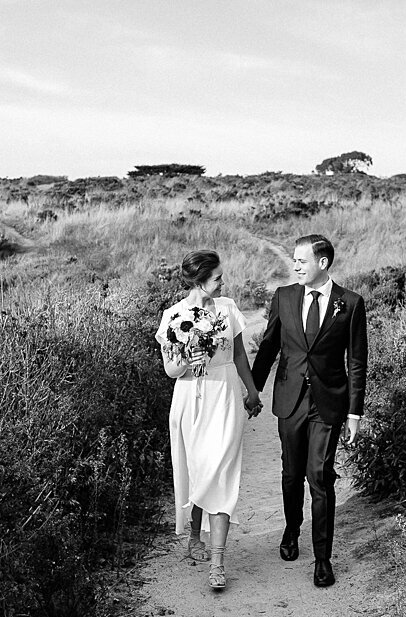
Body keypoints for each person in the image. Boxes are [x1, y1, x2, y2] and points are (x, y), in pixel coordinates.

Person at [250, 234, 367, 588]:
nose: (295, 266)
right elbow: (268, 346)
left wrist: (354, 413)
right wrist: (252, 388)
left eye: (301, 261)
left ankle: (322, 558)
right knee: (291, 473)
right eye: (294, 261)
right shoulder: (284, 297)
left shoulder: (350, 303)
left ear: (322, 263)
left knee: (320, 476)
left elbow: (357, 361)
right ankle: (291, 529)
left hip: (328, 402)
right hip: (290, 399)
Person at [156, 250, 263, 590]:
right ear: (199, 281)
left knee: (222, 469)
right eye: (217, 277)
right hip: (191, 397)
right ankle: (194, 539)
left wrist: (252, 391)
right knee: (199, 467)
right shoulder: (174, 316)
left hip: (225, 394)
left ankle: (218, 562)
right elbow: (170, 370)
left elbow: (240, 356)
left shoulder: (229, 309)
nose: (222, 282)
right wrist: (188, 357)